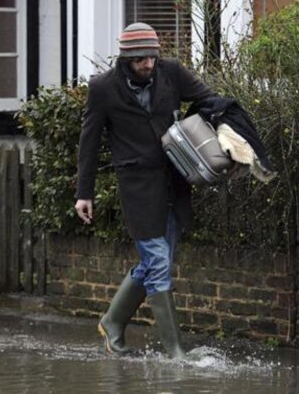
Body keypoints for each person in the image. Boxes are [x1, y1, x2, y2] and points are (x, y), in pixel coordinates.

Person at [75, 22, 218, 358]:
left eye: (152, 58)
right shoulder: (103, 88)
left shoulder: (172, 72)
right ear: (126, 59)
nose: (148, 65)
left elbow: (207, 98)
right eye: (141, 60)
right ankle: (175, 352)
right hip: (137, 187)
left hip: (175, 181)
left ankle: (112, 322)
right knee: (157, 261)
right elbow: (90, 142)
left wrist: (217, 126)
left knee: (157, 262)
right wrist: (85, 192)